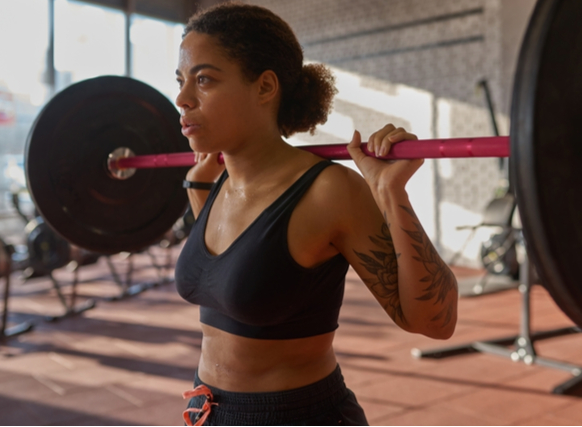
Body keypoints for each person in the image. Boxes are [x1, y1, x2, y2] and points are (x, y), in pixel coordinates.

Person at [174, 3, 458, 425]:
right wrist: (199, 186)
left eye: (204, 80)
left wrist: (390, 192)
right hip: (208, 413)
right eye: (180, 81)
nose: (182, 99)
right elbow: (228, 278)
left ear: (265, 86)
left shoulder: (329, 191)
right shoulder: (219, 185)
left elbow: (436, 321)